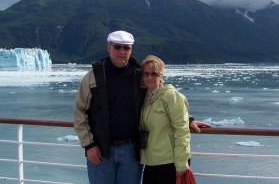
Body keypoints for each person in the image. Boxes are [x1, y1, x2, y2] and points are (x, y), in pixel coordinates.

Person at [73, 30, 209, 184]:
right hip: (101, 150)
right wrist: (89, 145)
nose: (122, 51)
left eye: (126, 48)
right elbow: (80, 113)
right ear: (108, 48)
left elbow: (160, 96)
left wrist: (188, 118)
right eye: (117, 47)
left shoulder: (140, 75)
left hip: (131, 151)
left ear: (131, 50)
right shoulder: (93, 77)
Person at [139, 55, 192, 184]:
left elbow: (182, 130)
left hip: (169, 162)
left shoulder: (171, 96)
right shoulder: (145, 97)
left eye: (154, 74)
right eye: (146, 74)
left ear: (161, 75)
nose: (149, 77)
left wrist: (181, 163)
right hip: (150, 161)